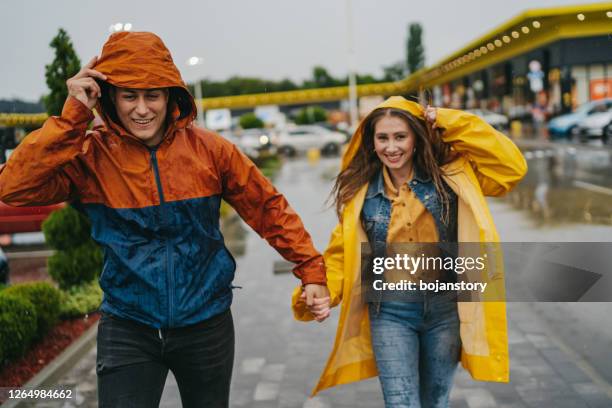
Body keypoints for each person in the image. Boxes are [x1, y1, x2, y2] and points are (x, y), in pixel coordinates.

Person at [0, 31, 330, 408]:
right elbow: (13, 186)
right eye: (129, 95)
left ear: (171, 95)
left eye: (152, 94)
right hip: (128, 327)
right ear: (108, 96)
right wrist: (74, 113)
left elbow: (267, 207)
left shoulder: (210, 151)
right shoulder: (91, 159)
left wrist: (311, 269)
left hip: (206, 323)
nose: (142, 109)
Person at [293, 96, 527, 407]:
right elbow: (341, 256)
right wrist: (322, 292)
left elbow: (511, 167)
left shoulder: (452, 178)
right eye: (383, 138)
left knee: (435, 402)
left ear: (416, 137)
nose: (392, 147)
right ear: (372, 142)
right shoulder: (361, 195)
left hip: (446, 311)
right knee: (401, 403)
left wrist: (445, 119)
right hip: (390, 313)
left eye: (400, 136)